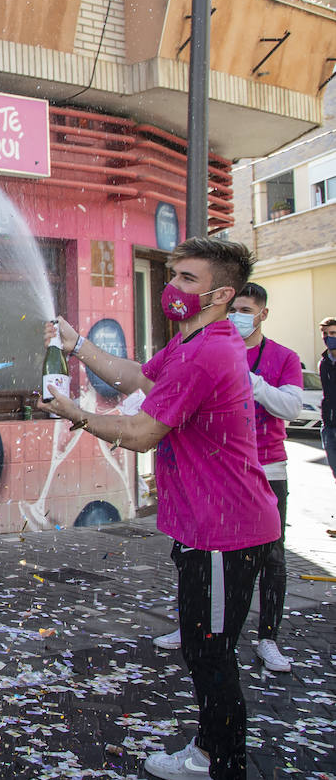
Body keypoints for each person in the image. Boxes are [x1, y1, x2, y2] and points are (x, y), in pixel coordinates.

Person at [40, 236, 280, 780]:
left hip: (227, 531)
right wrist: (77, 346)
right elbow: (139, 378)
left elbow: (143, 432)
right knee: (202, 649)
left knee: (212, 655)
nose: (172, 288)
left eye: (187, 279)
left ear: (221, 294)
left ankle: (222, 766)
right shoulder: (193, 340)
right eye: (172, 275)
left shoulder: (209, 350)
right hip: (205, 528)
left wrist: (75, 413)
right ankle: (207, 752)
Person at [153, 283, 301, 672]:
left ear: (262, 314)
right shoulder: (209, 347)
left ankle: (267, 637)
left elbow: (293, 406)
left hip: (266, 467)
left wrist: (249, 380)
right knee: (190, 552)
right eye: (234, 307)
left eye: (246, 309)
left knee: (271, 559)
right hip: (214, 472)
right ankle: (193, 625)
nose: (237, 315)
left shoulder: (282, 357)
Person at [321, 315, 336, 475]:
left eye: (333, 333)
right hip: (329, 426)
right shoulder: (324, 363)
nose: (329, 338)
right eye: (325, 334)